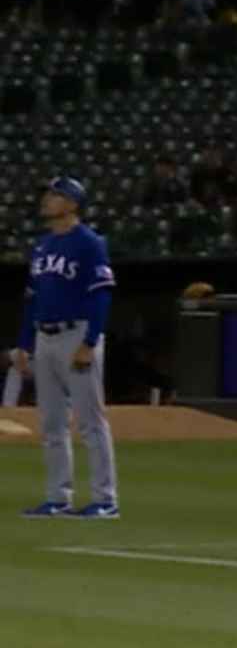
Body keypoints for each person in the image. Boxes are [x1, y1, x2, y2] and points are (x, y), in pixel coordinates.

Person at [12, 178, 117, 519]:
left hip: (77, 333)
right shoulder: (42, 246)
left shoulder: (89, 243)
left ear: (72, 203)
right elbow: (32, 299)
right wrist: (25, 344)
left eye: (55, 194)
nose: (47, 199)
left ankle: (105, 499)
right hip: (44, 337)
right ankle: (58, 498)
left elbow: (101, 293)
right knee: (52, 422)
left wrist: (90, 342)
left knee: (90, 421)